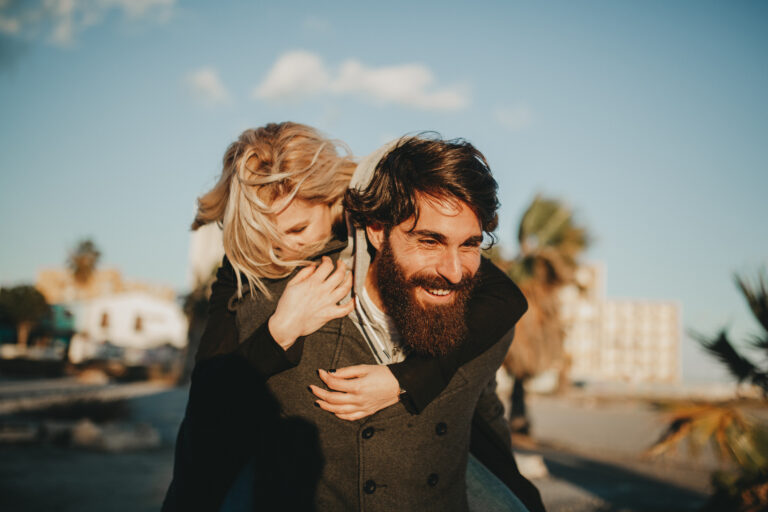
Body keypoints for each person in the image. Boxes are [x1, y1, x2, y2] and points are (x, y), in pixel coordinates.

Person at [163, 125, 544, 511]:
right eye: (261, 237)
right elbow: (208, 404)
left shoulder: (387, 198)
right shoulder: (251, 269)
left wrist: (405, 380)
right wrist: (282, 328)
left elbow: (504, 297)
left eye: (296, 230)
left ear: (334, 203)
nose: (280, 253)